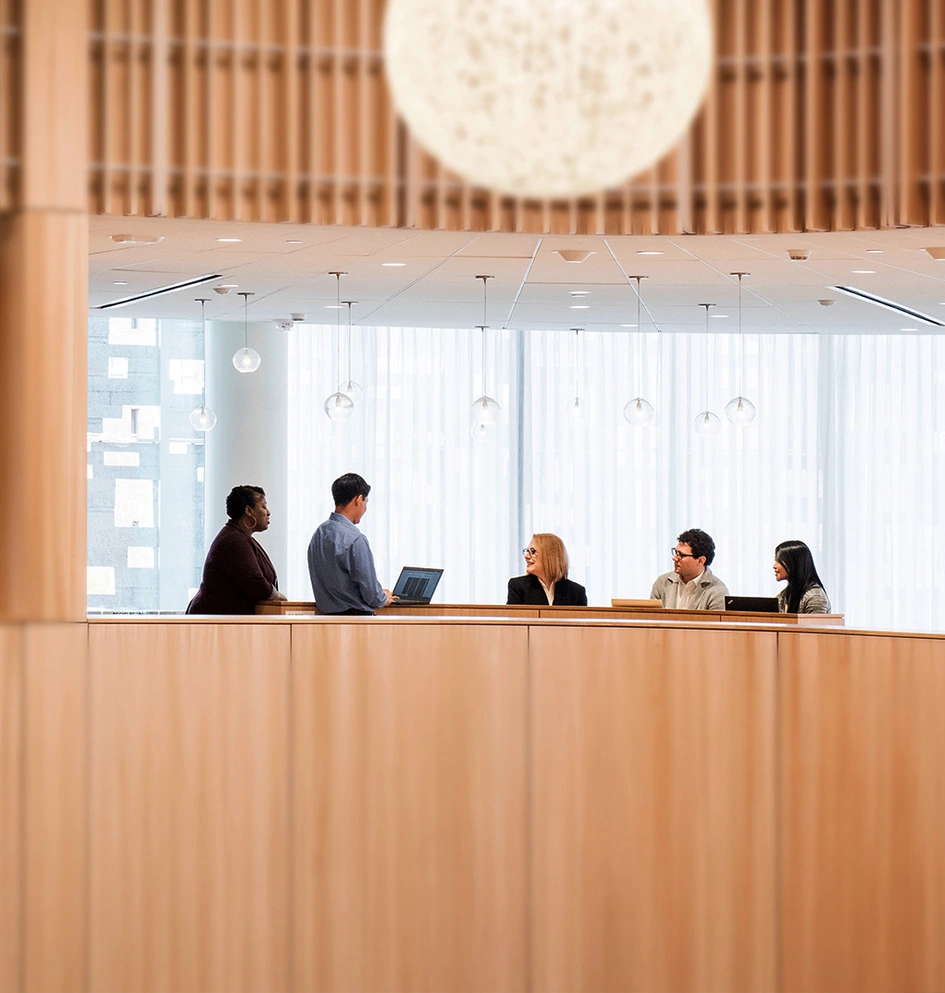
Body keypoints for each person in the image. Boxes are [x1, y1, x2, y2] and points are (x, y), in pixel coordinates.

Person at [187, 485, 288, 614]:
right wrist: (278, 596)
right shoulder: (233, 540)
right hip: (213, 625)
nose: (268, 512)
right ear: (248, 510)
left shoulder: (240, 537)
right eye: (263, 506)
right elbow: (255, 584)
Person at [308, 473, 393, 615]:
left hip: (324, 621)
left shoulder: (318, 534)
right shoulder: (355, 539)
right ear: (359, 499)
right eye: (366, 501)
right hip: (355, 622)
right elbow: (371, 593)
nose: (365, 508)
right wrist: (383, 598)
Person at [650, 528, 728, 609]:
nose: (675, 558)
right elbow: (651, 617)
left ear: (701, 560)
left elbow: (715, 621)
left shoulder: (718, 591)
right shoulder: (662, 582)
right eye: (676, 552)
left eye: (681, 555)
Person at [507, 533, 587, 606]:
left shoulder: (576, 592)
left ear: (550, 556)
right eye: (527, 551)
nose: (526, 556)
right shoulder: (517, 586)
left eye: (533, 551)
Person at [773, 539, 831, 613]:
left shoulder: (814, 596)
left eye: (779, 560)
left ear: (794, 563)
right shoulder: (783, 596)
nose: (774, 566)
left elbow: (815, 624)